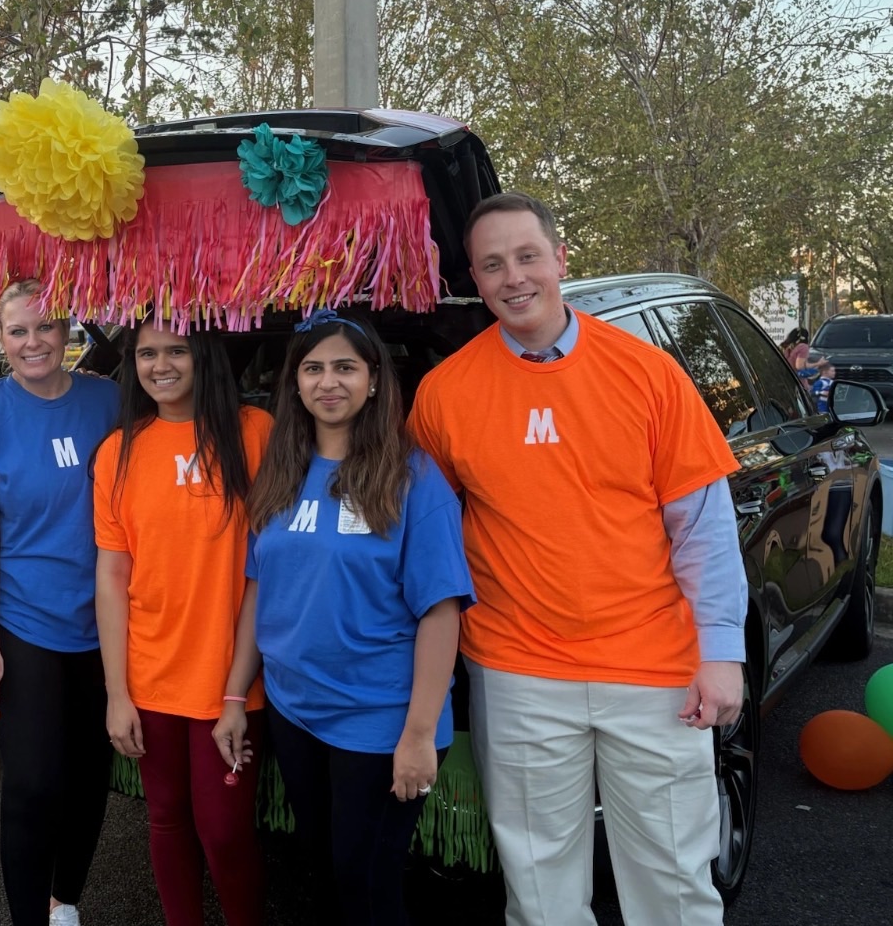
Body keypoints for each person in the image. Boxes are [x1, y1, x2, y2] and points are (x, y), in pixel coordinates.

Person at [408, 192, 745, 926]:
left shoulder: (648, 374)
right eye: (493, 264)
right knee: (538, 887)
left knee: (675, 885)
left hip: (653, 669)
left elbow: (703, 529)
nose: (514, 277)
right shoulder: (444, 395)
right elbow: (423, 533)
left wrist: (721, 652)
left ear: (560, 259)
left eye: (528, 256)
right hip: (517, 670)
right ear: (475, 277)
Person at [242, 310, 472, 925]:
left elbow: (441, 611)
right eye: (312, 368)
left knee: (365, 879)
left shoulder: (412, 478)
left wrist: (420, 735)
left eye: (345, 367)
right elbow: (258, 592)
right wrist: (234, 698)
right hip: (296, 712)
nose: (328, 382)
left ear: (374, 379)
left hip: (381, 717)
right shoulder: (280, 476)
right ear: (294, 383)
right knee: (325, 867)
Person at [0, 280, 120, 926]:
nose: (33, 342)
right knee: (32, 785)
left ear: (69, 329)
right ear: (0, 337)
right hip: (25, 625)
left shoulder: (110, 402)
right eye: (17, 331)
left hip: (105, 623)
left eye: (46, 327)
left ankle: (64, 900)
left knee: (87, 778)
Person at [94, 322, 273, 926]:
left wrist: (233, 690)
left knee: (223, 831)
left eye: (176, 351)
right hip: (151, 676)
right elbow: (113, 580)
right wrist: (118, 694)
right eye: (146, 353)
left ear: (204, 357)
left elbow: (265, 571)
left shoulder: (254, 433)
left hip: (231, 677)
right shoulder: (118, 451)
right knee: (167, 817)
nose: (160, 364)